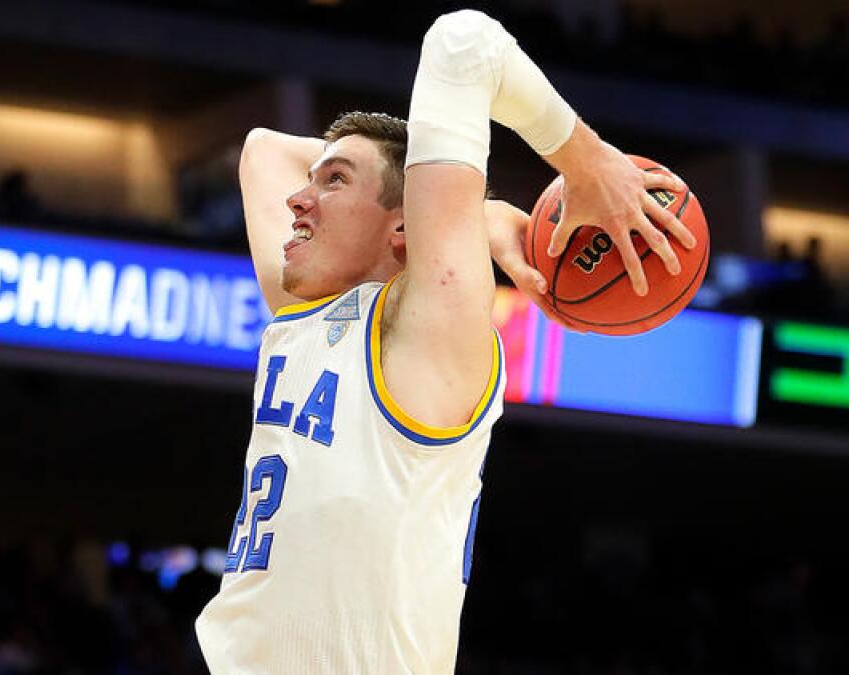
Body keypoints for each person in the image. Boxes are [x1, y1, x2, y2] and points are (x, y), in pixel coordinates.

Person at [194, 10, 695, 673]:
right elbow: (262, 148)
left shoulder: (425, 340)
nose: (298, 198)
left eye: (333, 180)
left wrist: (586, 163)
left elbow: (465, 44)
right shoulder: (305, 307)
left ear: (402, 232)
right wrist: (470, 215)